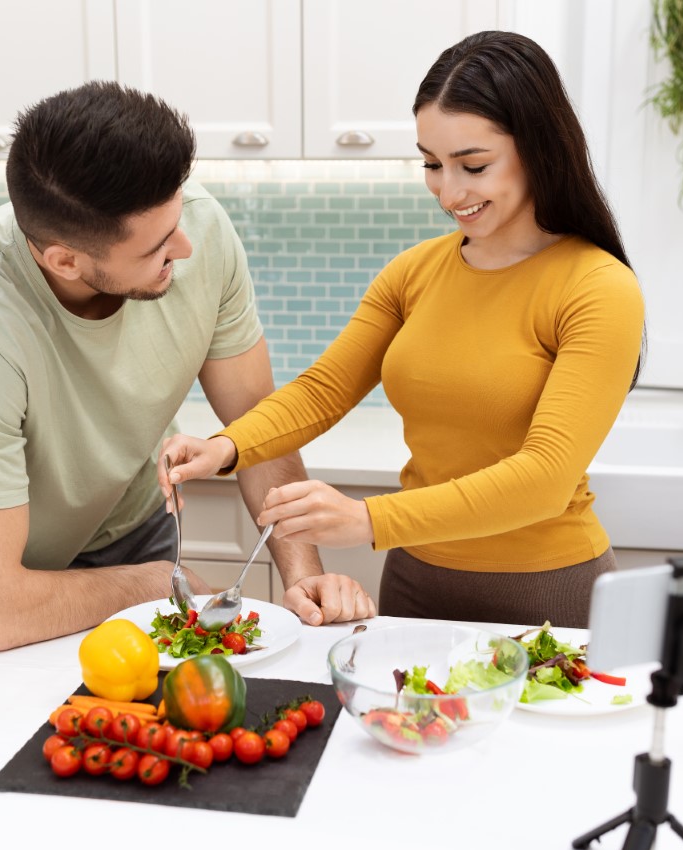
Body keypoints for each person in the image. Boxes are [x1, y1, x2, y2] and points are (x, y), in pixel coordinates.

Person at [160, 31, 645, 628]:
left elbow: (545, 477)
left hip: (549, 595)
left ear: (539, 149)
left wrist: (370, 521)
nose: (449, 190)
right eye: (432, 164)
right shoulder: (413, 272)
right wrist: (225, 448)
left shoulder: (597, 287)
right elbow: (322, 392)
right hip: (418, 584)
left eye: (473, 165)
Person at [0, 81, 375, 652]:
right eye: (155, 248)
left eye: (177, 221)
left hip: (137, 524)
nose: (186, 248)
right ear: (65, 260)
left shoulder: (194, 227)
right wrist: (153, 583)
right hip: (26, 578)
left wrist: (304, 577)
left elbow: (258, 425)